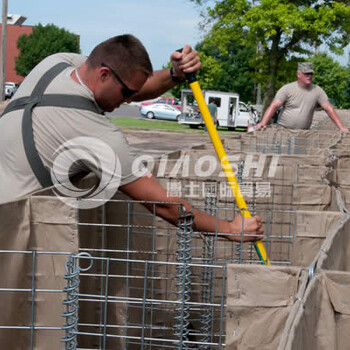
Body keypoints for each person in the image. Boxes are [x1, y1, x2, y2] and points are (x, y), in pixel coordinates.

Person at [0, 34, 263, 242]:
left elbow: (134, 86)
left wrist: (174, 75)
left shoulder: (56, 63)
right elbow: (165, 206)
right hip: (11, 228)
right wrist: (230, 228)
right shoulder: (98, 135)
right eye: (126, 93)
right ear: (103, 74)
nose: (130, 100)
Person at [255, 62, 349, 132]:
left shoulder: (317, 91)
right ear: (298, 74)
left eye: (311, 74)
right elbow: (274, 106)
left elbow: (329, 109)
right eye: (306, 74)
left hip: (304, 133)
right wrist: (263, 122)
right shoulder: (287, 89)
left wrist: (341, 127)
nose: (309, 76)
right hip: (284, 131)